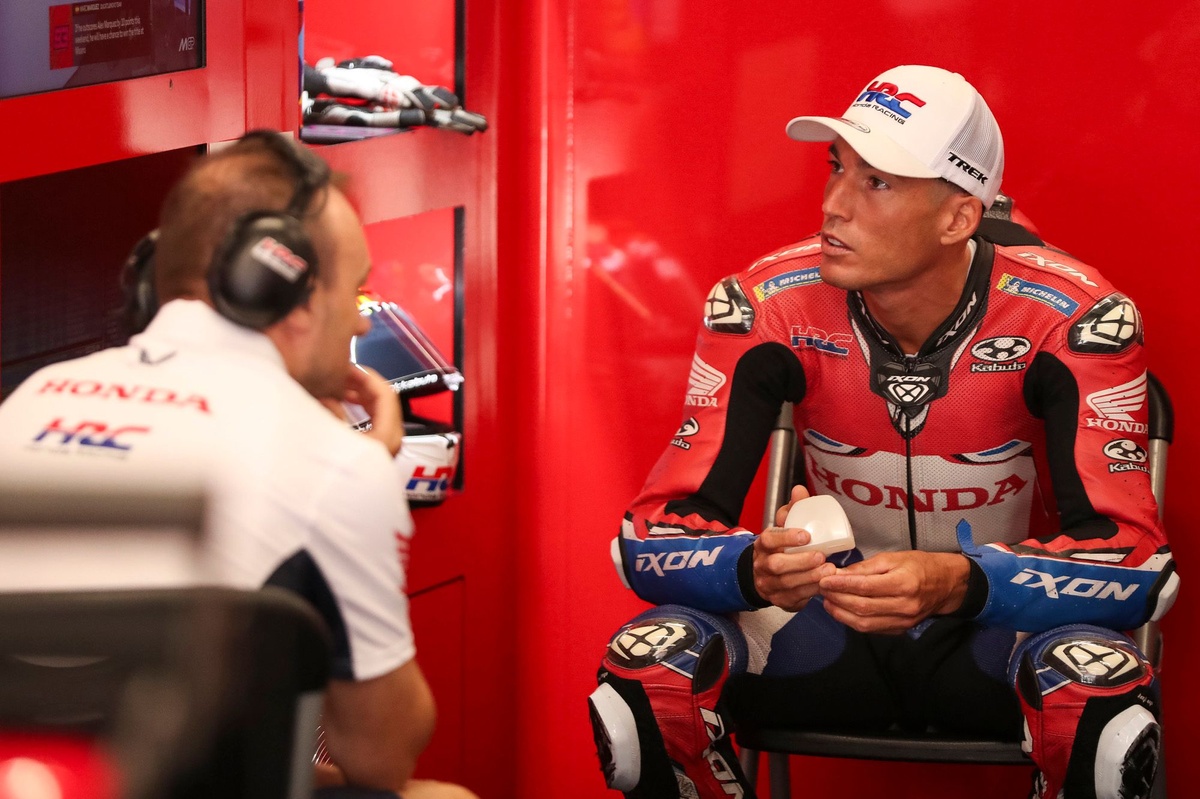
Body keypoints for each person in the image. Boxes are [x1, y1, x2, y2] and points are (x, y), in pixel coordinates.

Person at [588, 65, 1178, 799]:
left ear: (958, 218)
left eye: (877, 182)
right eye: (837, 167)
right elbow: (645, 538)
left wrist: (958, 582)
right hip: (823, 635)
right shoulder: (766, 306)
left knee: (1099, 707)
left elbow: (1138, 565)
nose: (833, 204)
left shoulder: (1073, 318)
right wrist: (753, 568)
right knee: (647, 674)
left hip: (996, 638)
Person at [0, 131, 476, 799]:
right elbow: (381, 757)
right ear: (285, 289)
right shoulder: (337, 463)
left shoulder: (30, 397)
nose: (362, 324)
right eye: (355, 291)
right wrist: (367, 480)